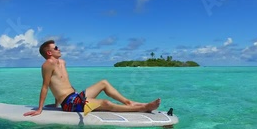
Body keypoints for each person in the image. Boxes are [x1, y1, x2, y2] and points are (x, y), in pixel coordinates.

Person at [23, 40, 161, 116]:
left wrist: (55, 104)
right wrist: (40, 109)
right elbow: (46, 86)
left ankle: (129, 103)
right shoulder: (47, 64)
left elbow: (58, 83)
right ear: (49, 52)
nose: (59, 49)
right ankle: (142, 108)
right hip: (69, 103)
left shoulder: (62, 63)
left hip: (75, 96)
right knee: (104, 103)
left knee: (103, 83)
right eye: (56, 48)